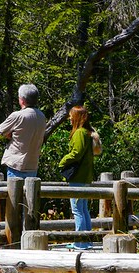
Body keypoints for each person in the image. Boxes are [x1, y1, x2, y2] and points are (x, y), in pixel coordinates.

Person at [59, 105, 96, 250]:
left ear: (77, 117)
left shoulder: (80, 133)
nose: (69, 119)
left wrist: (62, 161)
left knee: (77, 210)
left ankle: (80, 242)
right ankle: (86, 241)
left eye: (71, 116)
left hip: (78, 177)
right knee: (83, 209)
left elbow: (76, 153)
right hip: (84, 176)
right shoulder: (88, 132)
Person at [0, 84, 47, 179]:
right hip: (32, 165)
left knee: (15, 193)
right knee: (30, 192)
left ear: (22, 100)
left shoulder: (18, 115)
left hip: (16, 164)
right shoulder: (42, 116)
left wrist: (10, 135)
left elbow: (0, 130)